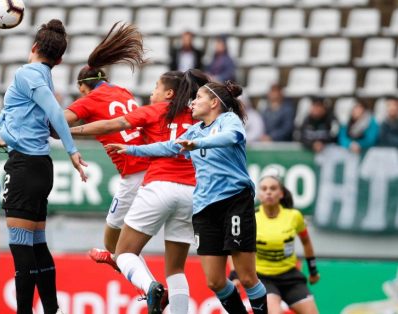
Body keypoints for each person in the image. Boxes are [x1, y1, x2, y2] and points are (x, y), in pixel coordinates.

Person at [0, 19, 86, 314]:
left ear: (33, 47)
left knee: (22, 250)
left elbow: (55, 113)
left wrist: (72, 150)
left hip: (24, 168)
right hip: (38, 167)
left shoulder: (27, 73)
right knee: (36, 244)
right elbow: (3, 119)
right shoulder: (44, 76)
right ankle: (51, 309)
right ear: (59, 59)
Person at [106, 81, 268, 314]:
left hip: (234, 201)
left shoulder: (227, 120)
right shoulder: (194, 130)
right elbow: (168, 147)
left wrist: (197, 144)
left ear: (214, 103)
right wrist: (130, 149)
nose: (192, 102)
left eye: (198, 97)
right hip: (203, 208)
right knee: (215, 281)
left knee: (247, 276)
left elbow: (233, 136)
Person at [71, 69, 211, 314]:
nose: (151, 91)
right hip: (191, 192)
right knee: (177, 269)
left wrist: (68, 132)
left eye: (156, 86)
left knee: (123, 253)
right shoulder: (197, 116)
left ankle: (149, 287)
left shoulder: (155, 111)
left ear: (168, 93)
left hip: (159, 186)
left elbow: (111, 124)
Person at [62, 22, 150, 268]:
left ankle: (137, 276)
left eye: (80, 91)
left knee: (113, 237)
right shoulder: (122, 91)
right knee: (132, 239)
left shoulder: (89, 100)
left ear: (83, 86)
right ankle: (145, 281)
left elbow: (60, 121)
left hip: (133, 171)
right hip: (151, 163)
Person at [255, 175, 320, 314]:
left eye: (273, 188)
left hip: (291, 277)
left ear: (281, 193)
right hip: (263, 278)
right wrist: (236, 274)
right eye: (264, 189)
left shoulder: (294, 216)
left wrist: (313, 271)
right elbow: (236, 249)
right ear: (259, 195)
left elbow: (306, 242)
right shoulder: (251, 218)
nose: (268, 192)